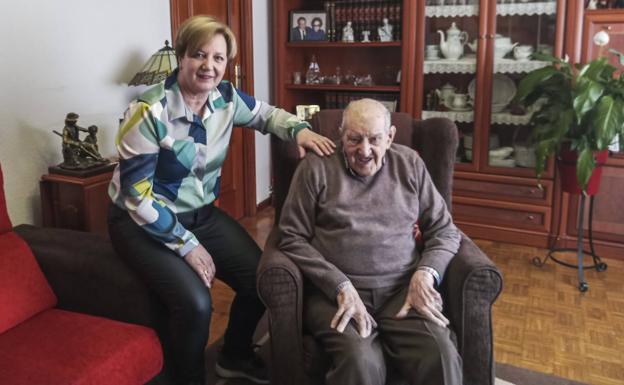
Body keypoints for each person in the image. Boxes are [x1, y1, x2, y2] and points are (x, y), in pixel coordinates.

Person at [107, 15, 335, 385]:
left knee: (261, 280)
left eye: (218, 58)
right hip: (140, 222)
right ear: (181, 56)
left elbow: (266, 114)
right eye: (199, 54)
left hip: (200, 215)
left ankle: (235, 356)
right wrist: (187, 245)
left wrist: (299, 130)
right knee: (197, 304)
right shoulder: (148, 111)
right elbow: (136, 196)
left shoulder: (226, 99)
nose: (209, 66)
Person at [278, 98, 463, 385]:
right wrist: (338, 284)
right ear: (341, 135)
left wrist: (425, 273)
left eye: (374, 139)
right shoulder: (316, 168)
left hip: (401, 292)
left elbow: (445, 230)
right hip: (336, 296)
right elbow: (290, 236)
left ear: (389, 137)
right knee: (361, 363)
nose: (364, 151)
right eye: (354, 139)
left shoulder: (410, 164)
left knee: (440, 354)